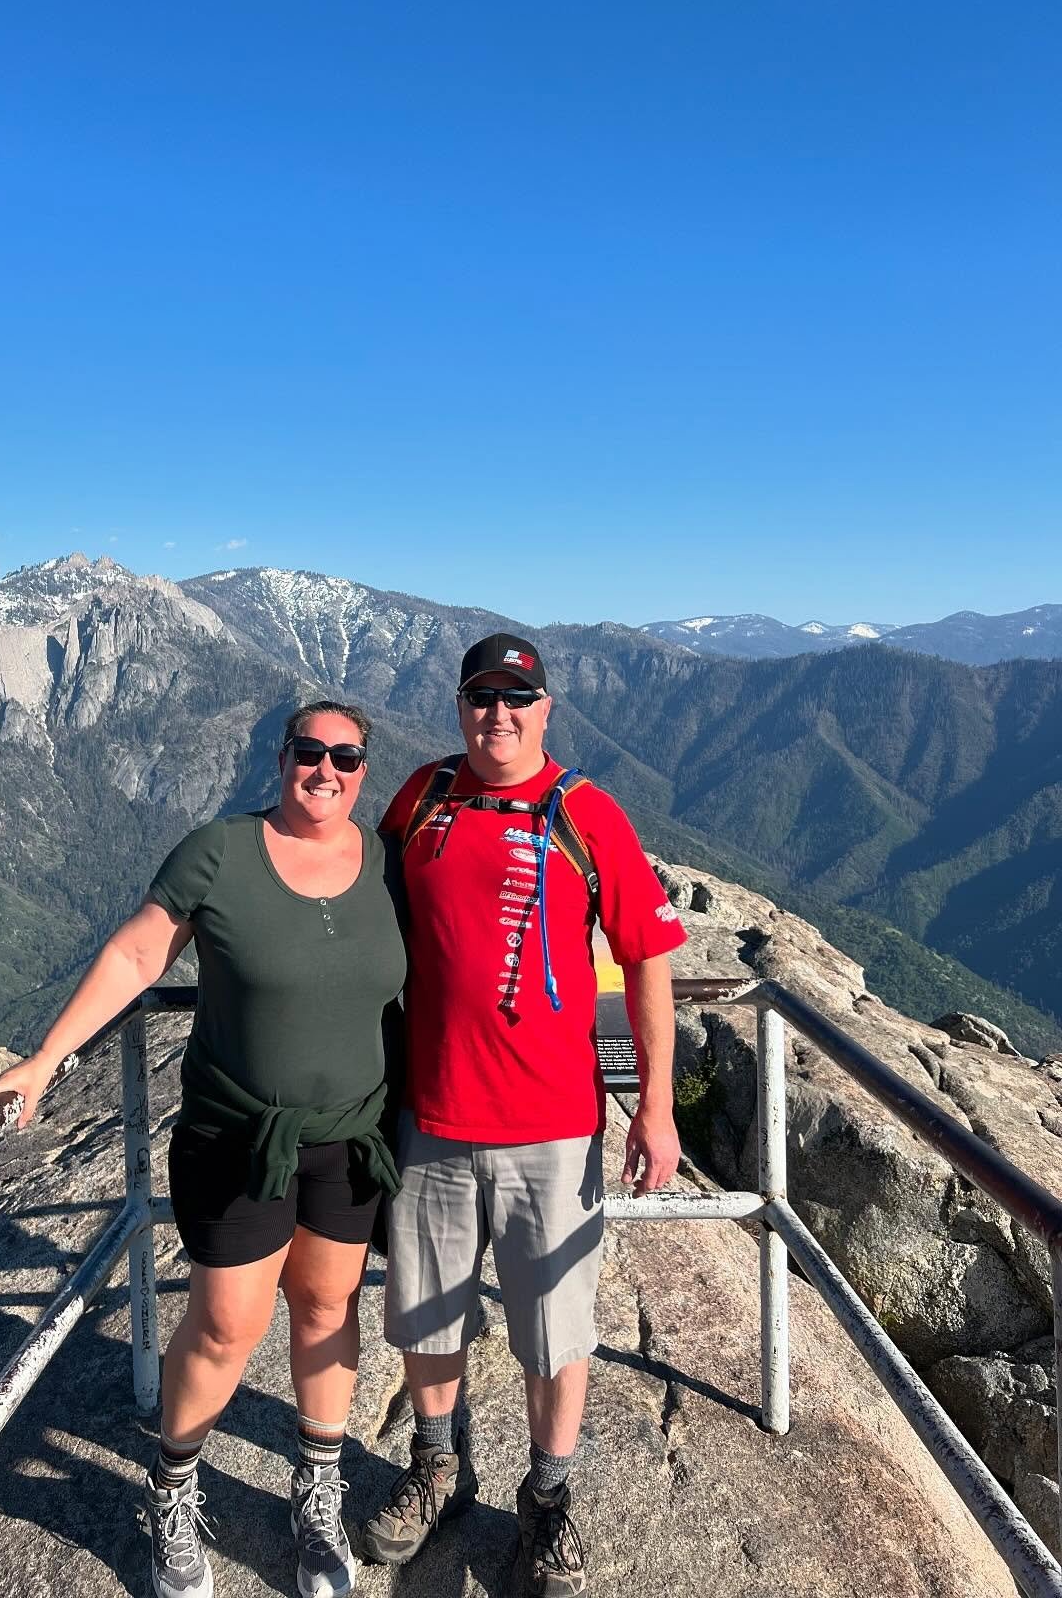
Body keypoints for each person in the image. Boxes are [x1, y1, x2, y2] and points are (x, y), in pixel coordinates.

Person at [0, 700, 406, 1598]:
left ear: (365, 769)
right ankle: (173, 1487)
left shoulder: (386, 864)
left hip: (349, 1139)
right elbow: (138, 958)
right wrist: (46, 1059)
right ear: (280, 757)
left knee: (329, 1311)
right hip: (237, 1138)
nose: (325, 769)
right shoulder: (219, 852)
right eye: (308, 752)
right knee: (224, 1325)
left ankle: (318, 1494)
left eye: (346, 756)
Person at [357, 634, 686, 1598]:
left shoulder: (588, 814)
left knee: (555, 1332)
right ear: (459, 706)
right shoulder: (422, 800)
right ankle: (437, 1468)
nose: (497, 716)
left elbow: (648, 958)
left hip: (553, 1132)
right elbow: (354, 905)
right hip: (433, 1118)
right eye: (479, 699)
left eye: (516, 700)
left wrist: (654, 1106)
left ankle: (546, 1499)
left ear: (547, 711)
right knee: (426, 1318)